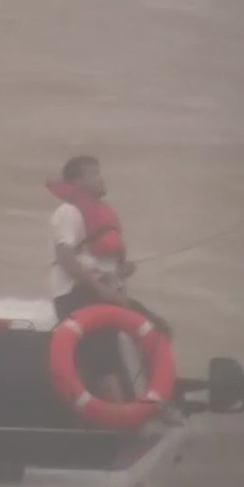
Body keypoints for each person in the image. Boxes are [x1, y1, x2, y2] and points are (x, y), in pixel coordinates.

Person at [47, 155, 175, 408]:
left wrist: (120, 272)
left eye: (99, 173)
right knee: (105, 359)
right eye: (93, 174)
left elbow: (95, 261)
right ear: (77, 182)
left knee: (159, 330)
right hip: (77, 294)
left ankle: (157, 398)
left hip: (102, 290)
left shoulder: (97, 212)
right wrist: (101, 290)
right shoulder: (69, 212)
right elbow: (65, 257)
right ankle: (120, 418)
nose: (100, 179)